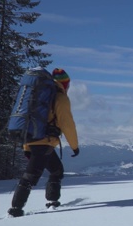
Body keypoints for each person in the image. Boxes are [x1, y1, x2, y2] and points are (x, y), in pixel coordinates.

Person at [8, 68, 80, 217]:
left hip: (34, 140)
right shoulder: (60, 98)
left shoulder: (40, 97)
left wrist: (26, 145)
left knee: (56, 170)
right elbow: (67, 124)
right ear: (65, 84)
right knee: (31, 176)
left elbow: (30, 120)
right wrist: (75, 146)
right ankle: (16, 209)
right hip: (45, 142)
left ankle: (52, 202)